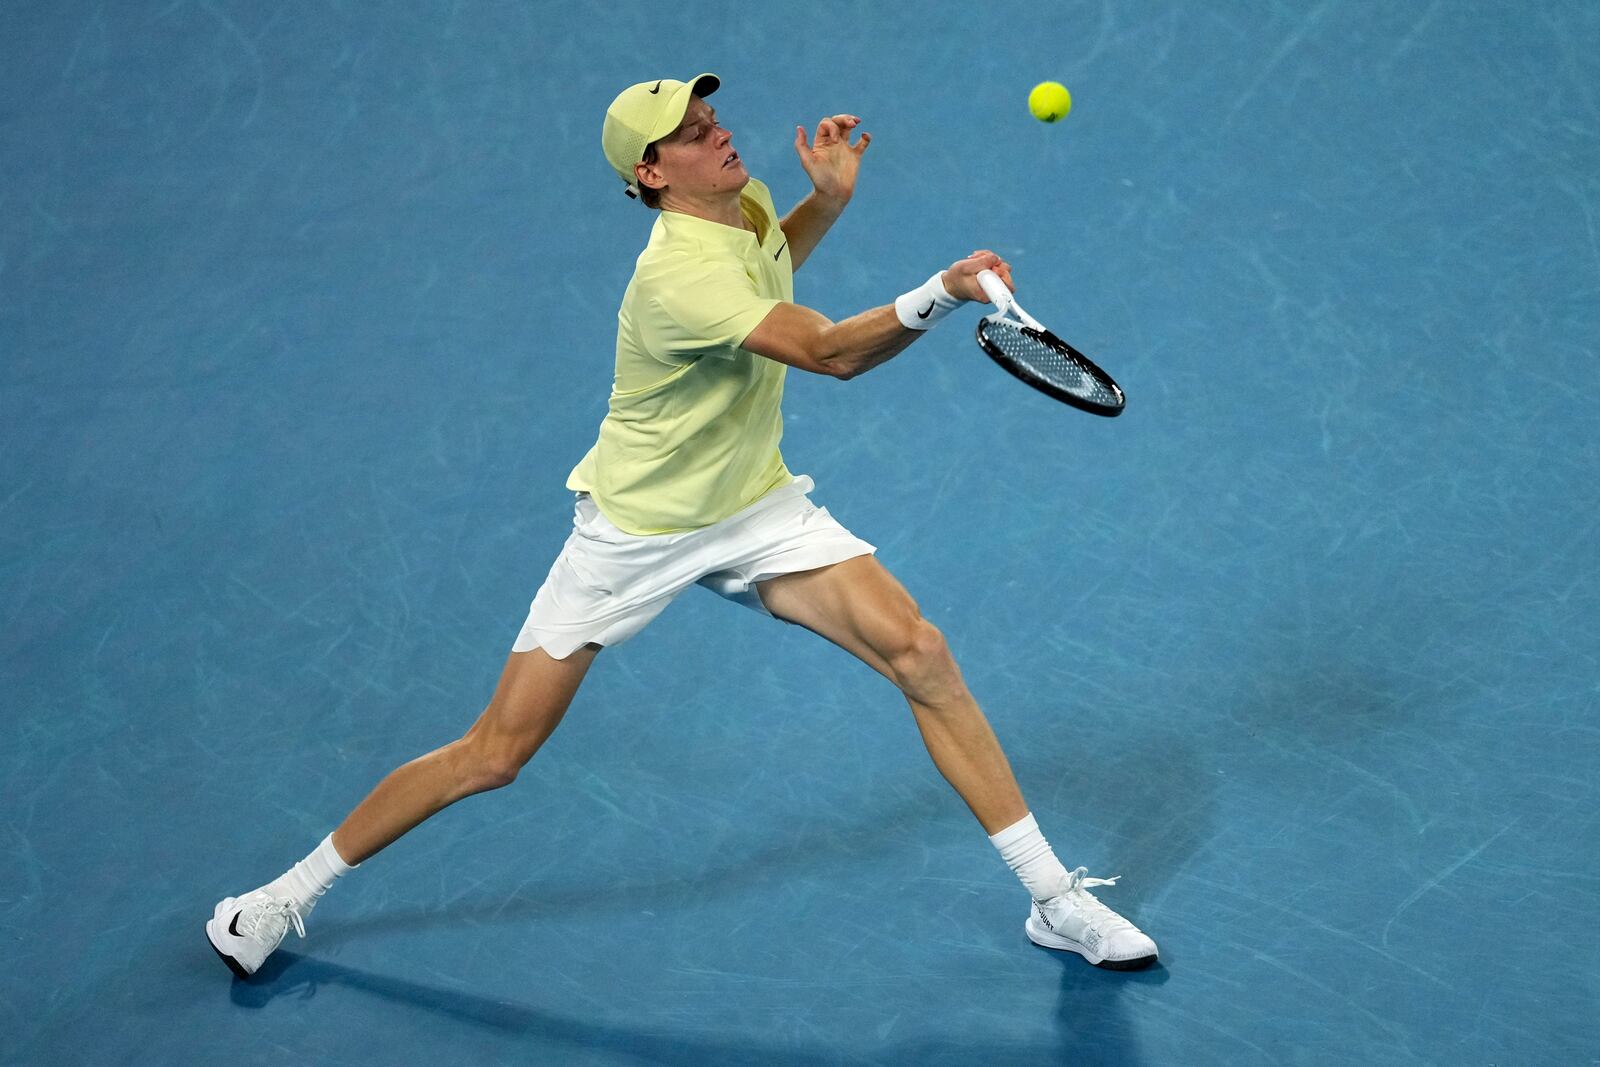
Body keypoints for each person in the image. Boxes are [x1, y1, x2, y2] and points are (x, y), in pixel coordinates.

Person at [205, 73, 1158, 977]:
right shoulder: (671, 280)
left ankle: (1049, 898)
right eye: (695, 136)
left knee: (921, 652)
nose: (722, 134)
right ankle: (283, 895)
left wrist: (822, 204)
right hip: (639, 531)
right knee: (495, 752)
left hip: (753, 503)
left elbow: (764, 273)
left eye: (714, 119)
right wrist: (941, 292)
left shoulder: (739, 208)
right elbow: (827, 354)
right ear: (652, 175)